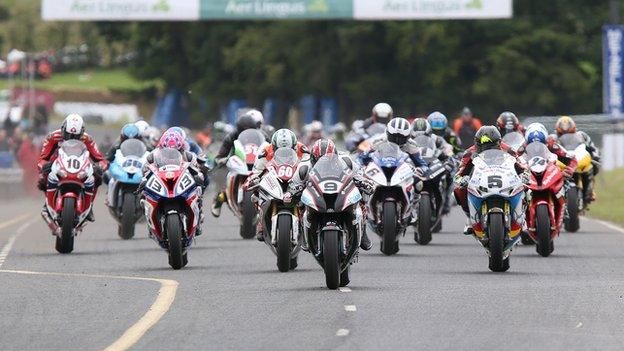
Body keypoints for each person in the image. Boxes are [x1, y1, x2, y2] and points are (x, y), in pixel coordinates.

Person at [453, 126, 527, 235]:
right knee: (458, 189)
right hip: (479, 180)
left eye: (491, 146)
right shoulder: (469, 153)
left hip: (505, 177)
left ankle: (522, 217)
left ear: (499, 143)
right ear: (477, 143)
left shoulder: (508, 150)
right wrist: (462, 179)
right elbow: (458, 174)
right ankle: (469, 217)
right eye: (484, 146)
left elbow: (522, 166)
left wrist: (524, 174)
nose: (488, 148)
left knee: (528, 187)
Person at [38, 114, 108, 221]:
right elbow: (43, 158)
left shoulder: (87, 139)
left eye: (76, 136)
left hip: (80, 166)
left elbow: (100, 159)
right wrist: (43, 166)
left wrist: (100, 167)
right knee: (43, 176)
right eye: (68, 134)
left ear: (81, 132)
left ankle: (90, 206)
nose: (71, 138)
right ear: (63, 129)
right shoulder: (52, 137)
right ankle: (48, 203)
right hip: (58, 164)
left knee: (97, 177)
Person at [138, 129, 206, 235]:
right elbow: (145, 170)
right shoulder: (152, 156)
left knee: (198, 191)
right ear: (161, 147)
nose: (171, 153)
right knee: (144, 195)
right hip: (162, 184)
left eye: (176, 150)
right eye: (167, 150)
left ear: (181, 147)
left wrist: (199, 175)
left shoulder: (189, 156)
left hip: (182, 184)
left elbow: (198, 169)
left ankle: (197, 220)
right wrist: (144, 180)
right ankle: (151, 223)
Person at [210, 111, 268, 217]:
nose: (246, 131)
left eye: (249, 128)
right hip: (237, 162)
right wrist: (221, 159)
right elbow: (222, 152)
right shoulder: (232, 136)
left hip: (256, 163)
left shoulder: (263, 136)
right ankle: (219, 199)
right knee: (223, 175)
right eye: (243, 129)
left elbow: (271, 148)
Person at [412, 118, 456, 215]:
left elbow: (447, 146)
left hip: (432, 163)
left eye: (423, 134)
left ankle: (447, 201)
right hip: (414, 165)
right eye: (417, 134)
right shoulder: (408, 140)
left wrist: (448, 153)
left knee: (449, 174)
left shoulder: (435, 138)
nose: (420, 137)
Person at [553, 116, 600, 203]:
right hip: (562, 163)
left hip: (579, 160)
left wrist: (595, 155)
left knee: (593, 166)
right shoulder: (553, 138)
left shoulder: (582, 135)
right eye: (562, 133)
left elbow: (593, 148)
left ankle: (589, 192)